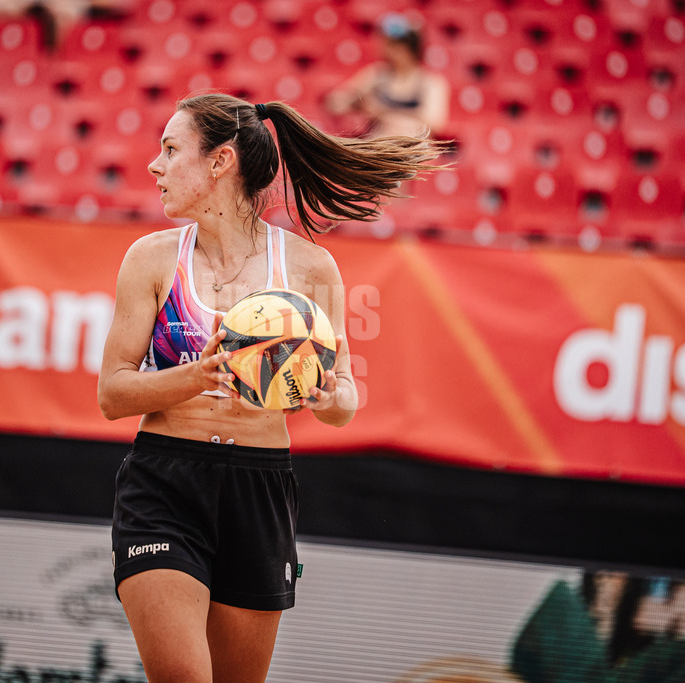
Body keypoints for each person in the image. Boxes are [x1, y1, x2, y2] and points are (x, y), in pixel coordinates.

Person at [97, 93, 444, 682]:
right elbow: (112, 394)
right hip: (166, 484)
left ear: (220, 162)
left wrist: (331, 398)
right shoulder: (152, 259)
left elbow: (343, 400)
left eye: (170, 148)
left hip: (258, 488)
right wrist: (197, 375)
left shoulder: (311, 269)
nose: (154, 165)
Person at [325, 12, 451, 139]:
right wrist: (356, 103)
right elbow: (335, 104)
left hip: (414, 149)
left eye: (391, 45)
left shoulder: (431, 82)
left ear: (407, 49)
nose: (384, 49)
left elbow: (435, 123)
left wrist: (381, 111)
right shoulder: (376, 75)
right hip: (378, 147)